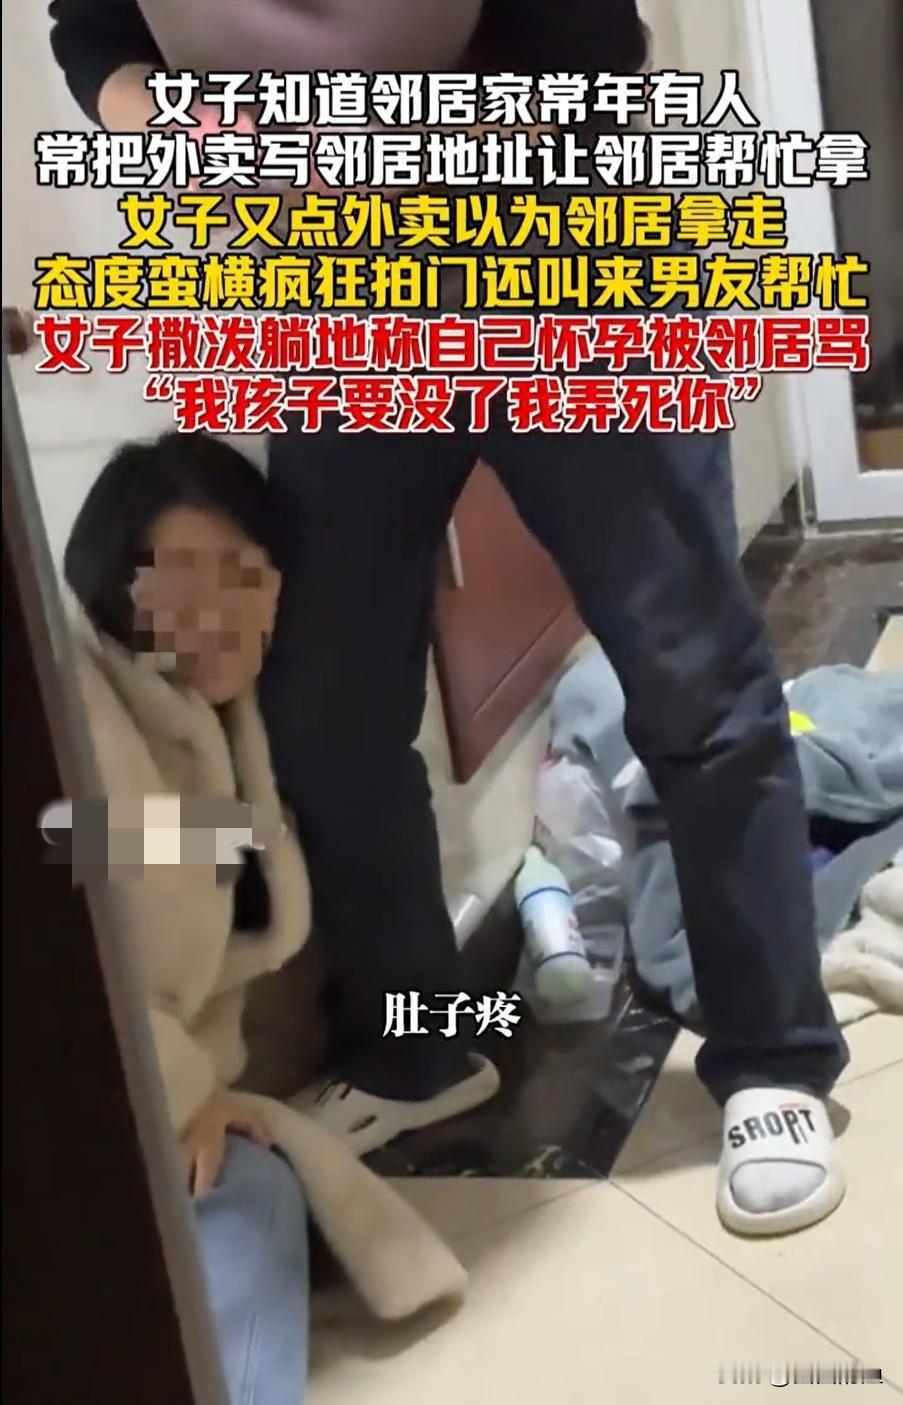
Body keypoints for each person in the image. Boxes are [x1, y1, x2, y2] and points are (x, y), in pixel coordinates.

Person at [49, 0, 850, 1238]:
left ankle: (774, 1054)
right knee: (324, 708)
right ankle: (416, 1048)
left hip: (568, 236)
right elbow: (92, 26)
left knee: (689, 670)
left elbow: (581, 39)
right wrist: (168, 125)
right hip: (338, 282)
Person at [63, 432, 467, 1405]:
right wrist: (182, 1097)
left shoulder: (221, 725)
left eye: (243, 574)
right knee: (250, 1202)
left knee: (256, 1196)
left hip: (160, 1095)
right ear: (115, 586)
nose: (217, 611)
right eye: (178, 581)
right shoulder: (84, 721)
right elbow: (72, 973)